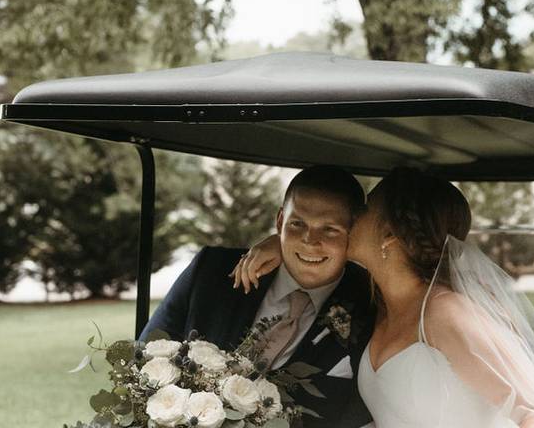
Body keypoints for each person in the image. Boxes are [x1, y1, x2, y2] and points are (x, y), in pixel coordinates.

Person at [233, 167, 534, 428]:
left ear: (389, 235)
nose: (354, 216)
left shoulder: (447, 313)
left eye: (366, 209)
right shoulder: (379, 304)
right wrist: (278, 244)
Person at [140, 165, 376, 428]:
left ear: (354, 232)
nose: (310, 240)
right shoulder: (211, 270)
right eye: (298, 224)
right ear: (279, 222)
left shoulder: (372, 301)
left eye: (330, 229)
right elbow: (144, 357)